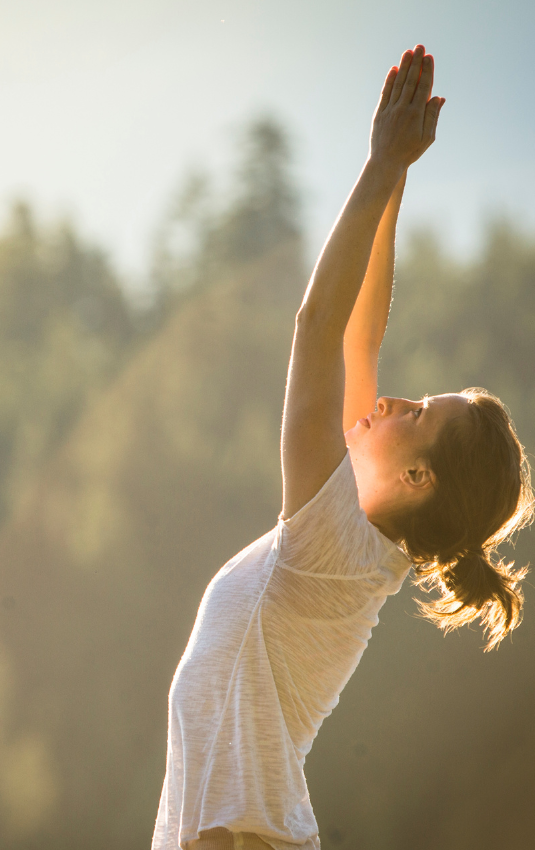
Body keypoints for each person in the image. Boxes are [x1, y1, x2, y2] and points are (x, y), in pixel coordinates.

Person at [151, 45, 533, 850]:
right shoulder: (358, 539)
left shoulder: (336, 542)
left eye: (416, 411)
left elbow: (319, 330)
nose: (392, 397)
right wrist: (394, 179)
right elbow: (360, 340)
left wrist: (376, 169)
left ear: (416, 474)